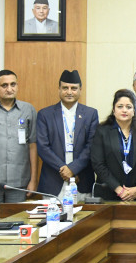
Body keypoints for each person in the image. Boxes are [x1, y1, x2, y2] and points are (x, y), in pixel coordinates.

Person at [0, 70, 38, 221]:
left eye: (13, 84)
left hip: (19, 182)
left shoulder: (28, 110)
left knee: (17, 225)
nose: (9, 89)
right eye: (4, 85)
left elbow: (32, 145)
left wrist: (33, 180)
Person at [36, 70, 99, 200]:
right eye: (65, 88)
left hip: (81, 180)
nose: (69, 92)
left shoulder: (90, 114)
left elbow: (91, 146)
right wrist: (64, 169)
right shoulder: (45, 114)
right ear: (59, 89)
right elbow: (43, 147)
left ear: (80, 89)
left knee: (83, 213)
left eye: (73, 88)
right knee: (52, 213)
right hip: (53, 180)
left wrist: (73, 169)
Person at [91, 89, 136, 201]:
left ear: (134, 111)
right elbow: (98, 164)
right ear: (113, 110)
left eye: (129, 107)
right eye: (120, 106)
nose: (124, 110)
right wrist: (118, 189)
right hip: (109, 193)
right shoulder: (102, 131)